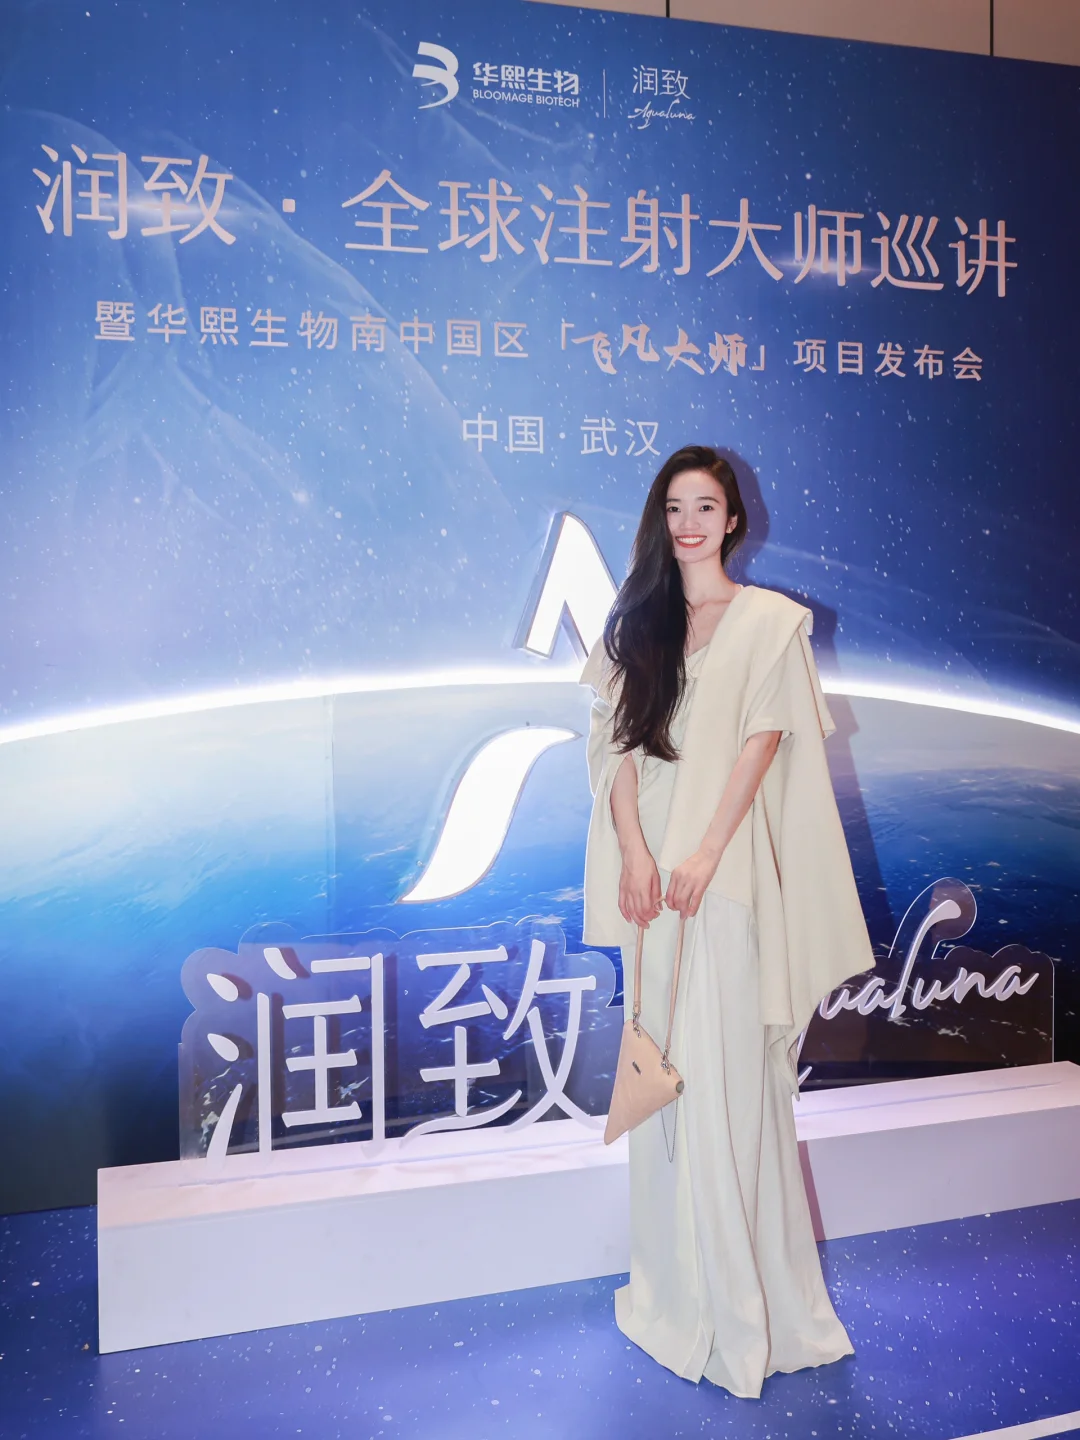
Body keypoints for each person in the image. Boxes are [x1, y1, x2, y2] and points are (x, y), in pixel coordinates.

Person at [581, 445, 875, 1398]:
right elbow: (614, 752)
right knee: (666, 1083)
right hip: (652, 895)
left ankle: (745, 1311)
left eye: (706, 506)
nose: (690, 524)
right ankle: (677, 1293)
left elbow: (763, 745)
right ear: (659, 519)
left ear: (734, 518)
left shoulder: (768, 623)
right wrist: (635, 854)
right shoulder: (636, 625)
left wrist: (705, 854)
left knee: (731, 1084)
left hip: (726, 880)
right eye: (675, 507)